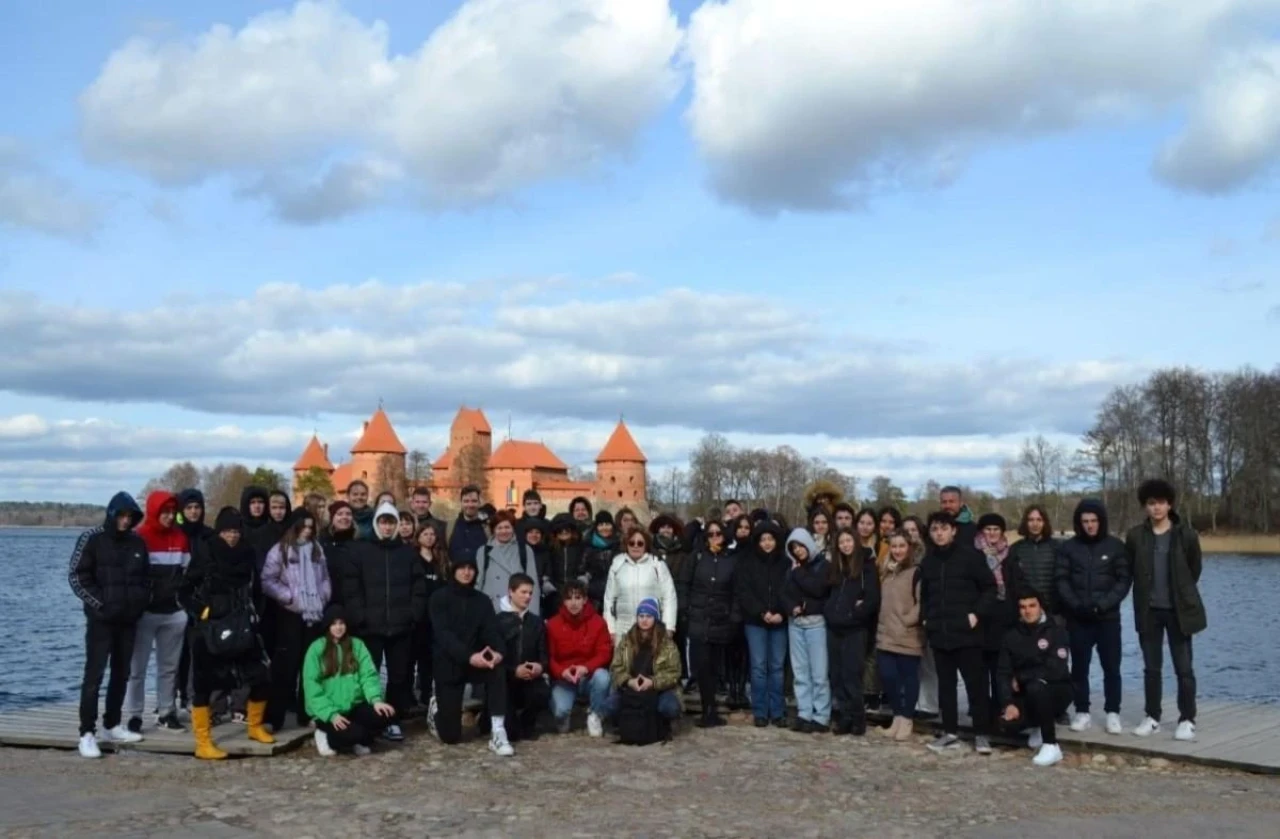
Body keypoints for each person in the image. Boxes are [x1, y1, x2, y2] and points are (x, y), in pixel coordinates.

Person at [179, 507, 274, 759]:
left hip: (243, 624)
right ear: (219, 531)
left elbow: (258, 590)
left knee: (261, 675)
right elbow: (183, 590)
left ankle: (254, 727)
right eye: (227, 531)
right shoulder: (204, 554)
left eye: (235, 531)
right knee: (203, 685)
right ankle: (203, 741)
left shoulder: (247, 554)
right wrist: (202, 611)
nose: (232, 536)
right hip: (209, 629)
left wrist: (256, 614)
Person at [69, 492, 151, 758]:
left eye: (130, 517)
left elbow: (145, 579)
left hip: (128, 620)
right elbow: (77, 576)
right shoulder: (92, 539)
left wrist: (140, 603)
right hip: (100, 621)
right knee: (94, 676)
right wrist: (100, 604)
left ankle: (112, 724)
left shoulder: (138, 542)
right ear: (112, 514)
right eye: (122, 516)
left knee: (121, 674)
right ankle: (86, 733)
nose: (126, 521)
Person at [1126, 479, 1206, 741]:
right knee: (1151, 668)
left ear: (1169, 504)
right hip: (1149, 611)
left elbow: (1194, 569)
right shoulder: (1136, 536)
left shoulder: (1186, 535)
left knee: (1183, 668)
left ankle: (1187, 718)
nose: (1156, 507)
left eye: (1161, 502)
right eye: (1151, 503)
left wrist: (1180, 593)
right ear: (1145, 507)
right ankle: (1152, 717)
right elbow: (1130, 569)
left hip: (1178, 612)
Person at [345, 501, 427, 741]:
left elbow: (418, 587)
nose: (388, 526)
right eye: (383, 521)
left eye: (391, 522)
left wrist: (413, 614)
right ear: (376, 523)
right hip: (370, 627)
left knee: (399, 677)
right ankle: (371, 718)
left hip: (401, 626)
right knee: (369, 676)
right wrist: (360, 617)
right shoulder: (361, 551)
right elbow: (352, 588)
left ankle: (393, 720)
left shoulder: (407, 553)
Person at [920, 511, 996, 754]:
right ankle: (950, 731)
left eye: (943, 528)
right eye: (934, 529)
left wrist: (976, 615)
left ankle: (982, 734)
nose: (939, 533)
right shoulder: (929, 561)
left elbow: (990, 588)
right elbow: (925, 595)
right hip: (939, 632)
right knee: (946, 686)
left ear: (953, 530)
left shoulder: (970, 557)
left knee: (976, 686)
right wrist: (926, 619)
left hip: (967, 633)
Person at [1055, 499, 1131, 736]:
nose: (1089, 525)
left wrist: (1102, 605)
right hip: (1078, 618)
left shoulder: (1116, 547)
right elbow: (1062, 580)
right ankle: (1082, 711)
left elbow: (1123, 581)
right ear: (1079, 523)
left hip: (1107, 618)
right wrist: (1076, 605)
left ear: (1101, 521)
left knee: (1112, 667)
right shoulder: (1069, 548)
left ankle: (1112, 713)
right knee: (1079, 667)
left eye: (1094, 521)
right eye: (1085, 521)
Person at [120, 491, 191, 735]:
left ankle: (166, 712)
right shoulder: (139, 537)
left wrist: (184, 605)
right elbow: (130, 577)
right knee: (137, 669)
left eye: (173, 512)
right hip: (144, 614)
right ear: (154, 512)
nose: (170, 517)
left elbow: (187, 574)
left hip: (173, 613)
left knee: (168, 668)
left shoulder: (181, 538)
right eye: (165, 512)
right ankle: (135, 715)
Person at [428, 553, 513, 756]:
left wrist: (498, 652)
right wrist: (468, 656)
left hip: (477, 662)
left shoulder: (482, 600)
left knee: (498, 671)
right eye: (462, 568)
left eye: (470, 568)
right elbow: (443, 635)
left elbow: (491, 630)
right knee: (450, 736)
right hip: (449, 663)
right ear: (454, 570)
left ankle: (497, 730)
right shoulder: (439, 598)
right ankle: (436, 709)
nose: (466, 572)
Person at [261, 509, 332, 732]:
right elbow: (267, 580)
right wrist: (289, 597)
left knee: (311, 667)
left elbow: (325, 578)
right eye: (304, 527)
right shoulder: (280, 550)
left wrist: (323, 596)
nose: (308, 531)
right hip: (290, 614)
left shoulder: (317, 550)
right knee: (285, 668)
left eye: (311, 527)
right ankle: (275, 717)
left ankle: (307, 713)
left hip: (314, 613)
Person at [302, 605, 396, 757]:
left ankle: (358, 735)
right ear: (328, 626)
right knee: (354, 735)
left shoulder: (357, 645)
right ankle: (324, 733)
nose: (338, 627)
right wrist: (330, 714)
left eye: (341, 623)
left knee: (385, 715)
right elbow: (312, 686)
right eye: (334, 624)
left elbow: (368, 675)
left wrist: (375, 699)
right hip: (327, 711)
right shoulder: (316, 649)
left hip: (353, 706)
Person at [677, 515, 740, 728]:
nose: (714, 537)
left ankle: (713, 708)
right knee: (701, 665)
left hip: (720, 618)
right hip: (698, 618)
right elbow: (684, 584)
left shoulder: (731, 560)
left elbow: (736, 591)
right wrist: (686, 609)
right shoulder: (696, 557)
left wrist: (733, 616)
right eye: (710, 534)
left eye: (718, 534)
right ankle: (707, 709)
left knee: (714, 666)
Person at [997, 591, 1073, 767]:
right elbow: (1003, 672)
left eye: (1032, 606)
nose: (1027, 611)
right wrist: (1008, 703)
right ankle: (1037, 724)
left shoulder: (1056, 631)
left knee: (1036, 686)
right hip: (1026, 693)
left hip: (1057, 689)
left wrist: (1023, 677)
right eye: (1023, 607)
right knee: (1004, 723)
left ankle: (1051, 744)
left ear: (1040, 607)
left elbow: (1056, 669)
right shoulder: (1011, 635)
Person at [825, 527, 880, 735]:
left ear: (855, 542)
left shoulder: (867, 566)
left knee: (851, 675)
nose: (845, 545)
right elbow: (830, 594)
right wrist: (830, 613)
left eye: (848, 541)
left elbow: (872, 599)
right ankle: (845, 716)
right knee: (837, 675)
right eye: (842, 542)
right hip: (835, 627)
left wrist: (854, 615)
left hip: (855, 629)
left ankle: (858, 718)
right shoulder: (836, 567)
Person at [736, 520, 789, 727]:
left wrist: (780, 613)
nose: (767, 543)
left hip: (779, 621)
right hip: (755, 621)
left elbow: (789, 591)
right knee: (758, 667)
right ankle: (760, 710)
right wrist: (761, 612)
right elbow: (744, 592)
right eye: (763, 539)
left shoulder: (785, 563)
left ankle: (777, 711)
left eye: (771, 539)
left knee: (776, 667)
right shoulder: (748, 562)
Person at [976, 513, 1026, 724]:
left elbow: (1017, 585)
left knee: (1002, 668)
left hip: (1005, 619)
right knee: (980, 670)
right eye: (988, 529)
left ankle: (1002, 710)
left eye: (996, 529)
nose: (992, 533)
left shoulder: (1011, 555)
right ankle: (980, 712)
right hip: (982, 619)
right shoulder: (974, 555)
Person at [546, 580, 613, 736]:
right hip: (564, 678)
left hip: (588, 675)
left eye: (578, 598)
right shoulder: (553, 624)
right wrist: (562, 672)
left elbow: (604, 652)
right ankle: (563, 717)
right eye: (569, 598)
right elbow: (549, 657)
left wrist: (586, 668)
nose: (573, 603)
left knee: (603, 677)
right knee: (560, 712)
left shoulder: (598, 622)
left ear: (584, 600)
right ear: (563, 601)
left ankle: (596, 714)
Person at [604, 598, 683, 728]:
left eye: (648, 616)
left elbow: (674, 672)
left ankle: (662, 723)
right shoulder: (626, 641)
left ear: (655, 618)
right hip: (631, 688)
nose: (644, 620)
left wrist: (652, 682)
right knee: (609, 706)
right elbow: (616, 667)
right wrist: (629, 681)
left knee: (669, 707)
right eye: (641, 616)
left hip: (659, 689)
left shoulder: (667, 644)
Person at [876, 530, 924, 741]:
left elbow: (922, 602)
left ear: (909, 547)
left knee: (908, 678)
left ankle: (906, 718)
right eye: (894, 546)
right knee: (888, 678)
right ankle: (896, 716)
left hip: (908, 635)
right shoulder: (887, 572)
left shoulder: (916, 572)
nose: (897, 551)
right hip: (885, 634)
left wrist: (908, 620)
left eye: (901, 546)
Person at [782, 528, 831, 733]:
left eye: (800, 546)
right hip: (796, 624)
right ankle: (804, 712)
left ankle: (821, 715)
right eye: (793, 547)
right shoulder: (790, 569)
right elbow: (784, 593)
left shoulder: (822, 565)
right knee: (800, 672)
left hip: (815, 623)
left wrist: (799, 573)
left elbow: (818, 589)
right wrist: (790, 607)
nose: (798, 550)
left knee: (819, 672)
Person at [497, 573, 551, 741]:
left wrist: (539, 667)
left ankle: (528, 722)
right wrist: (514, 670)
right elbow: (495, 657)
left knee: (541, 692)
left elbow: (544, 654)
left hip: (530, 678)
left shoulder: (536, 622)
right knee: (511, 734)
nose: (528, 597)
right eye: (523, 592)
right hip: (505, 679)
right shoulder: (497, 621)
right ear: (510, 592)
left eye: (530, 593)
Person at [174, 487, 213, 716]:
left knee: (200, 653)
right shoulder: (177, 535)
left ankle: (195, 697)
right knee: (177, 655)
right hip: (178, 600)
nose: (194, 512)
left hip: (203, 603)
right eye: (189, 508)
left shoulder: (209, 536)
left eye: (197, 507)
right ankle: (177, 698)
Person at [603, 528, 678, 641]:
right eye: (632, 543)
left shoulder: (657, 565)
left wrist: (669, 627)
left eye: (640, 543)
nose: (636, 546)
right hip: (623, 629)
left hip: (652, 630)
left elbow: (669, 597)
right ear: (626, 544)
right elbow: (609, 599)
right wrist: (610, 629)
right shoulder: (617, 565)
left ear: (646, 545)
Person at [412, 521, 450, 708]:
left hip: (436, 617)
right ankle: (413, 697)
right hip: (417, 617)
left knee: (431, 659)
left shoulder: (440, 561)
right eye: (425, 534)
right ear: (418, 536)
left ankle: (428, 695)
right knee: (414, 658)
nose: (429, 537)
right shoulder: (412, 558)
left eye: (432, 534)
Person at [477, 510, 540, 616]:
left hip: (517, 610)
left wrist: (532, 616)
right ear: (493, 530)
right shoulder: (483, 551)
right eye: (499, 528)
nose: (504, 531)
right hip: (490, 611)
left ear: (513, 528)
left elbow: (533, 584)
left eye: (507, 527)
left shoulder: (524, 550)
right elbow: (479, 583)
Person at [1009, 505, 1059, 618]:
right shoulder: (1015, 549)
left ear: (1044, 522)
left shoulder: (1057, 547)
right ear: (1025, 523)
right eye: (1031, 520)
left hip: (1053, 611)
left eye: (1039, 520)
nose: (1035, 524)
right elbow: (1012, 582)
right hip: (1025, 611)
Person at [545, 513, 586, 616]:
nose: (563, 532)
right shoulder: (550, 548)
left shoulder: (580, 547)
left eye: (567, 529)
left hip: (576, 591)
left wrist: (585, 577)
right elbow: (546, 566)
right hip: (554, 592)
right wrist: (546, 581)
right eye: (560, 530)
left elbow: (587, 565)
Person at [320, 501, 357, 606]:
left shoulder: (359, 542)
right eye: (339, 514)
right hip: (328, 602)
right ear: (332, 518)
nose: (344, 517)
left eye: (348, 514)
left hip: (353, 603)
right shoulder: (322, 543)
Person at [584, 510, 620, 612]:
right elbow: (582, 571)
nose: (604, 528)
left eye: (607, 524)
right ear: (596, 527)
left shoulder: (620, 545)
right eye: (601, 524)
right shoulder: (588, 546)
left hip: (616, 597)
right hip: (593, 599)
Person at [448, 485, 490, 566]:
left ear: (479, 503)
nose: (470, 505)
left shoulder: (487, 528)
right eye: (466, 501)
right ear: (461, 503)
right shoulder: (450, 527)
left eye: (474, 501)